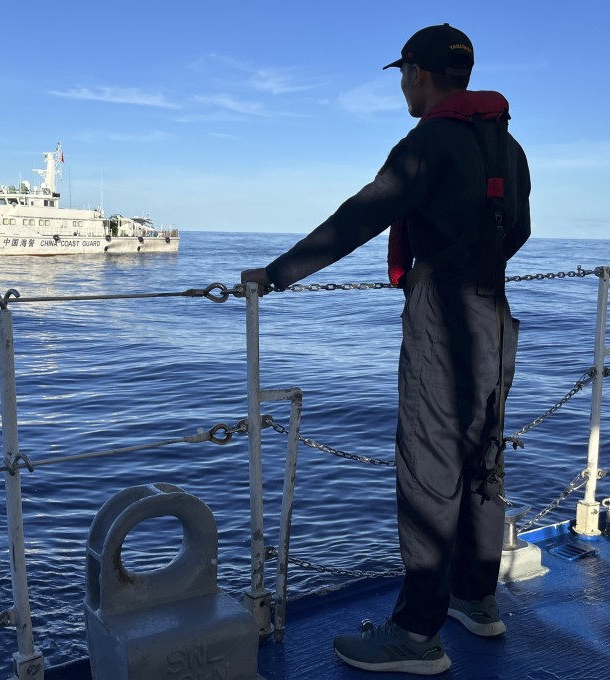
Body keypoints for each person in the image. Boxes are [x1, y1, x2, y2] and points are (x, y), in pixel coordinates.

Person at [241, 23, 530, 675]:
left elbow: (360, 216)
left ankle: (415, 636)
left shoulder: (427, 142)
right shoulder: (506, 146)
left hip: (442, 316)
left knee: (430, 471)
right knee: (482, 460)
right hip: (495, 311)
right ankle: (476, 601)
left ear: (420, 75)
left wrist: (278, 272)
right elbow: (522, 227)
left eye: (403, 74)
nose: (402, 85)